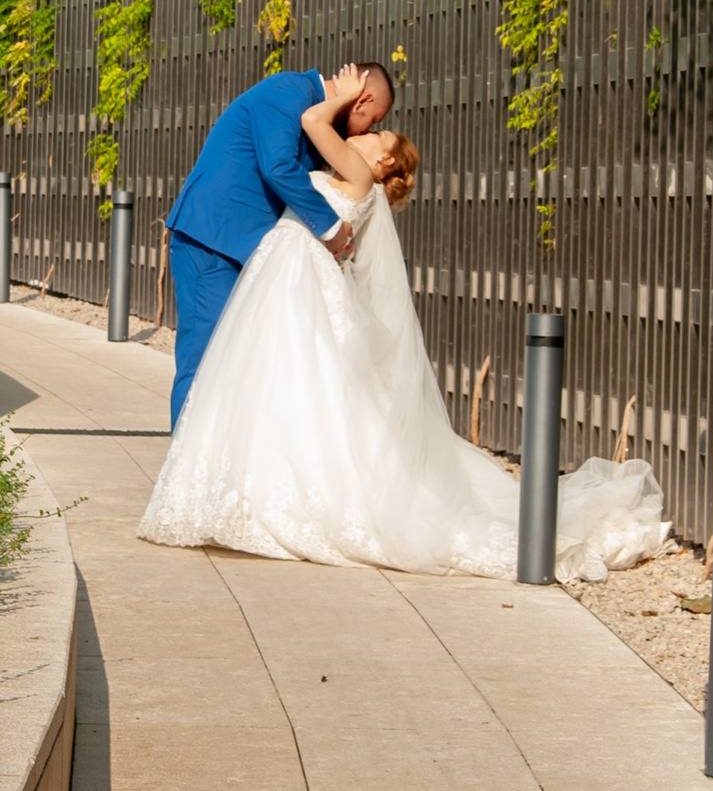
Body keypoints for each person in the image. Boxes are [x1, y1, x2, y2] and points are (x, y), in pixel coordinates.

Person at [137, 112, 669, 581]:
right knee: (282, 389)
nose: (367, 131)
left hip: (297, 287)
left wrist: (344, 87)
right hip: (284, 284)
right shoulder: (350, 174)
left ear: (385, 159)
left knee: (300, 388)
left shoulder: (358, 175)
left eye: (378, 133)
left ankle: (282, 498)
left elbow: (314, 122)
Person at [161, 63, 392, 427]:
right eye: (373, 119)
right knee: (203, 363)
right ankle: (182, 460)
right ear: (362, 99)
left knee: (241, 368)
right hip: (214, 241)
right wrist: (332, 230)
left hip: (253, 253)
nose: (366, 129)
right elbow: (279, 167)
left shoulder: (317, 117)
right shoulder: (288, 90)